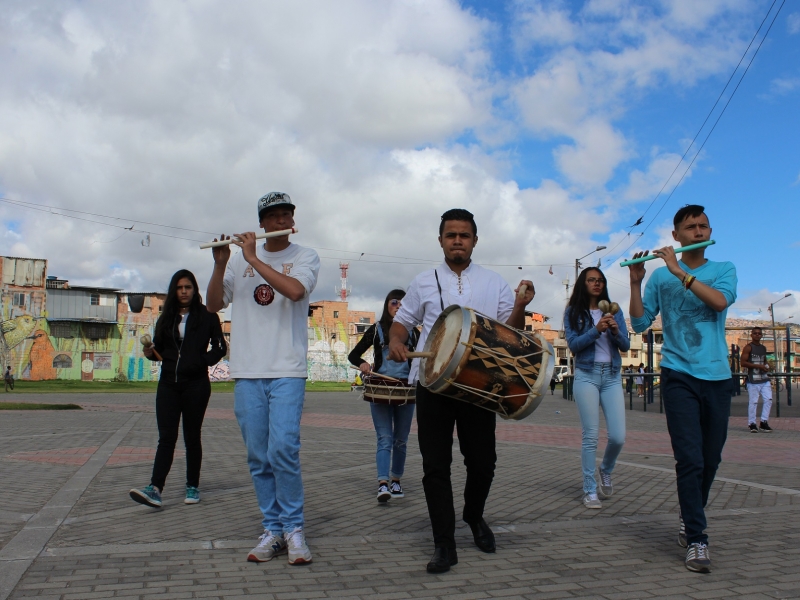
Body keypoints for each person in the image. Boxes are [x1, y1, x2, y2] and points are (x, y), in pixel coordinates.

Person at [388, 208, 534, 574]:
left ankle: (473, 515)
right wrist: (396, 342)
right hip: (433, 383)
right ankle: (444, 542)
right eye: (451, 235)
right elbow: (401, 323)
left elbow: (510, 332)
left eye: (464, 235)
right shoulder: (423, 281)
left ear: (474, 241)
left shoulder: (493, 282)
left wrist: (519, 305)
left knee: (483, 462)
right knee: (435, 466)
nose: (457, 241)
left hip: (479, 385)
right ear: (440, 240)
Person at [206, 192, 320, 566]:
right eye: (273, 215)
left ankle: (294, 528)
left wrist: (253, 258)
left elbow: (295, 290)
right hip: (247, 370)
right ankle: (273, 529)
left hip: (287, 368)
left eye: (286, 213)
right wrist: (222, 264)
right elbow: (212, 305)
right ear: (262, 222)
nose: (281, 219)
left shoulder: (305, 256)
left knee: (283, 449)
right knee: (258, 456)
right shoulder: (238, 261)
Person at [628, 204, 736, 574]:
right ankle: (697, 538)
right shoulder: (660, 278)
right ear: (676, 236)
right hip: (678, 375)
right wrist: (636, 282)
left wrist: (680, 272)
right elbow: (641, 324)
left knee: (710, 459)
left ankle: (690, 516)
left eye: (703, 226)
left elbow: (720, 302)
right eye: (690, 227)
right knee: (689, 459)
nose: (698, 231)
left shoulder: (724, 270)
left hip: (718, 376)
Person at [130, 270, 227, 509]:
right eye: (179, 287)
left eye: (188, 287)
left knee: (192, 437)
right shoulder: (167, 317)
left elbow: (220, 348)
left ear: (195, 290)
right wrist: (149, 352)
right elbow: (158, 351)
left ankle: (192, 486)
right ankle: (155, 488)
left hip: (196, 385)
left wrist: (201, 361)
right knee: (166, 438)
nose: (184, 291)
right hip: (168, 385)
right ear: (174, 291)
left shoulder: (207, 316)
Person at [564, 267, 630, 510]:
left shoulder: (614, 310)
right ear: (583, 283)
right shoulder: (573, 312)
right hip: (586, 375)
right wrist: (596, 330)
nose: (597, 284)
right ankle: (589, 490)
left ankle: (606, 469)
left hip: (612, 376)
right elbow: (573, 345)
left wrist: (614, 330)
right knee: (590, 436)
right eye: (591, 280)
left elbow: (626, 344)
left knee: (618, 437)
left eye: (600, 280)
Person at [348, 289, 420, 502]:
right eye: (394, 302)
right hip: (380, 389)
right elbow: (354, 354)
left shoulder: (415, 333)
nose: (398, 306)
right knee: (384, 438)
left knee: (401, 440)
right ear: (387, 305)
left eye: (402, 303)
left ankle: (396, 480)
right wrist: (362, 363)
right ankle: (382, 484)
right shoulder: (377, 329)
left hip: (406, 390)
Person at [740, 327, 773, 433]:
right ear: (751, 335)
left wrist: (767, 366)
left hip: (764, 378)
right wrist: (758, 366)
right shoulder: (748, 347)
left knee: (768, 399)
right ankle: (752, 423)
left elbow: (764, 360)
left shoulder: (763, 348)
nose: (757, 335)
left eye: (759, 333)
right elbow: (743, 363)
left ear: (761, 335)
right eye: (755, 333)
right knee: (753, 402)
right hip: (753, 379)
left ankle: (764, 422)